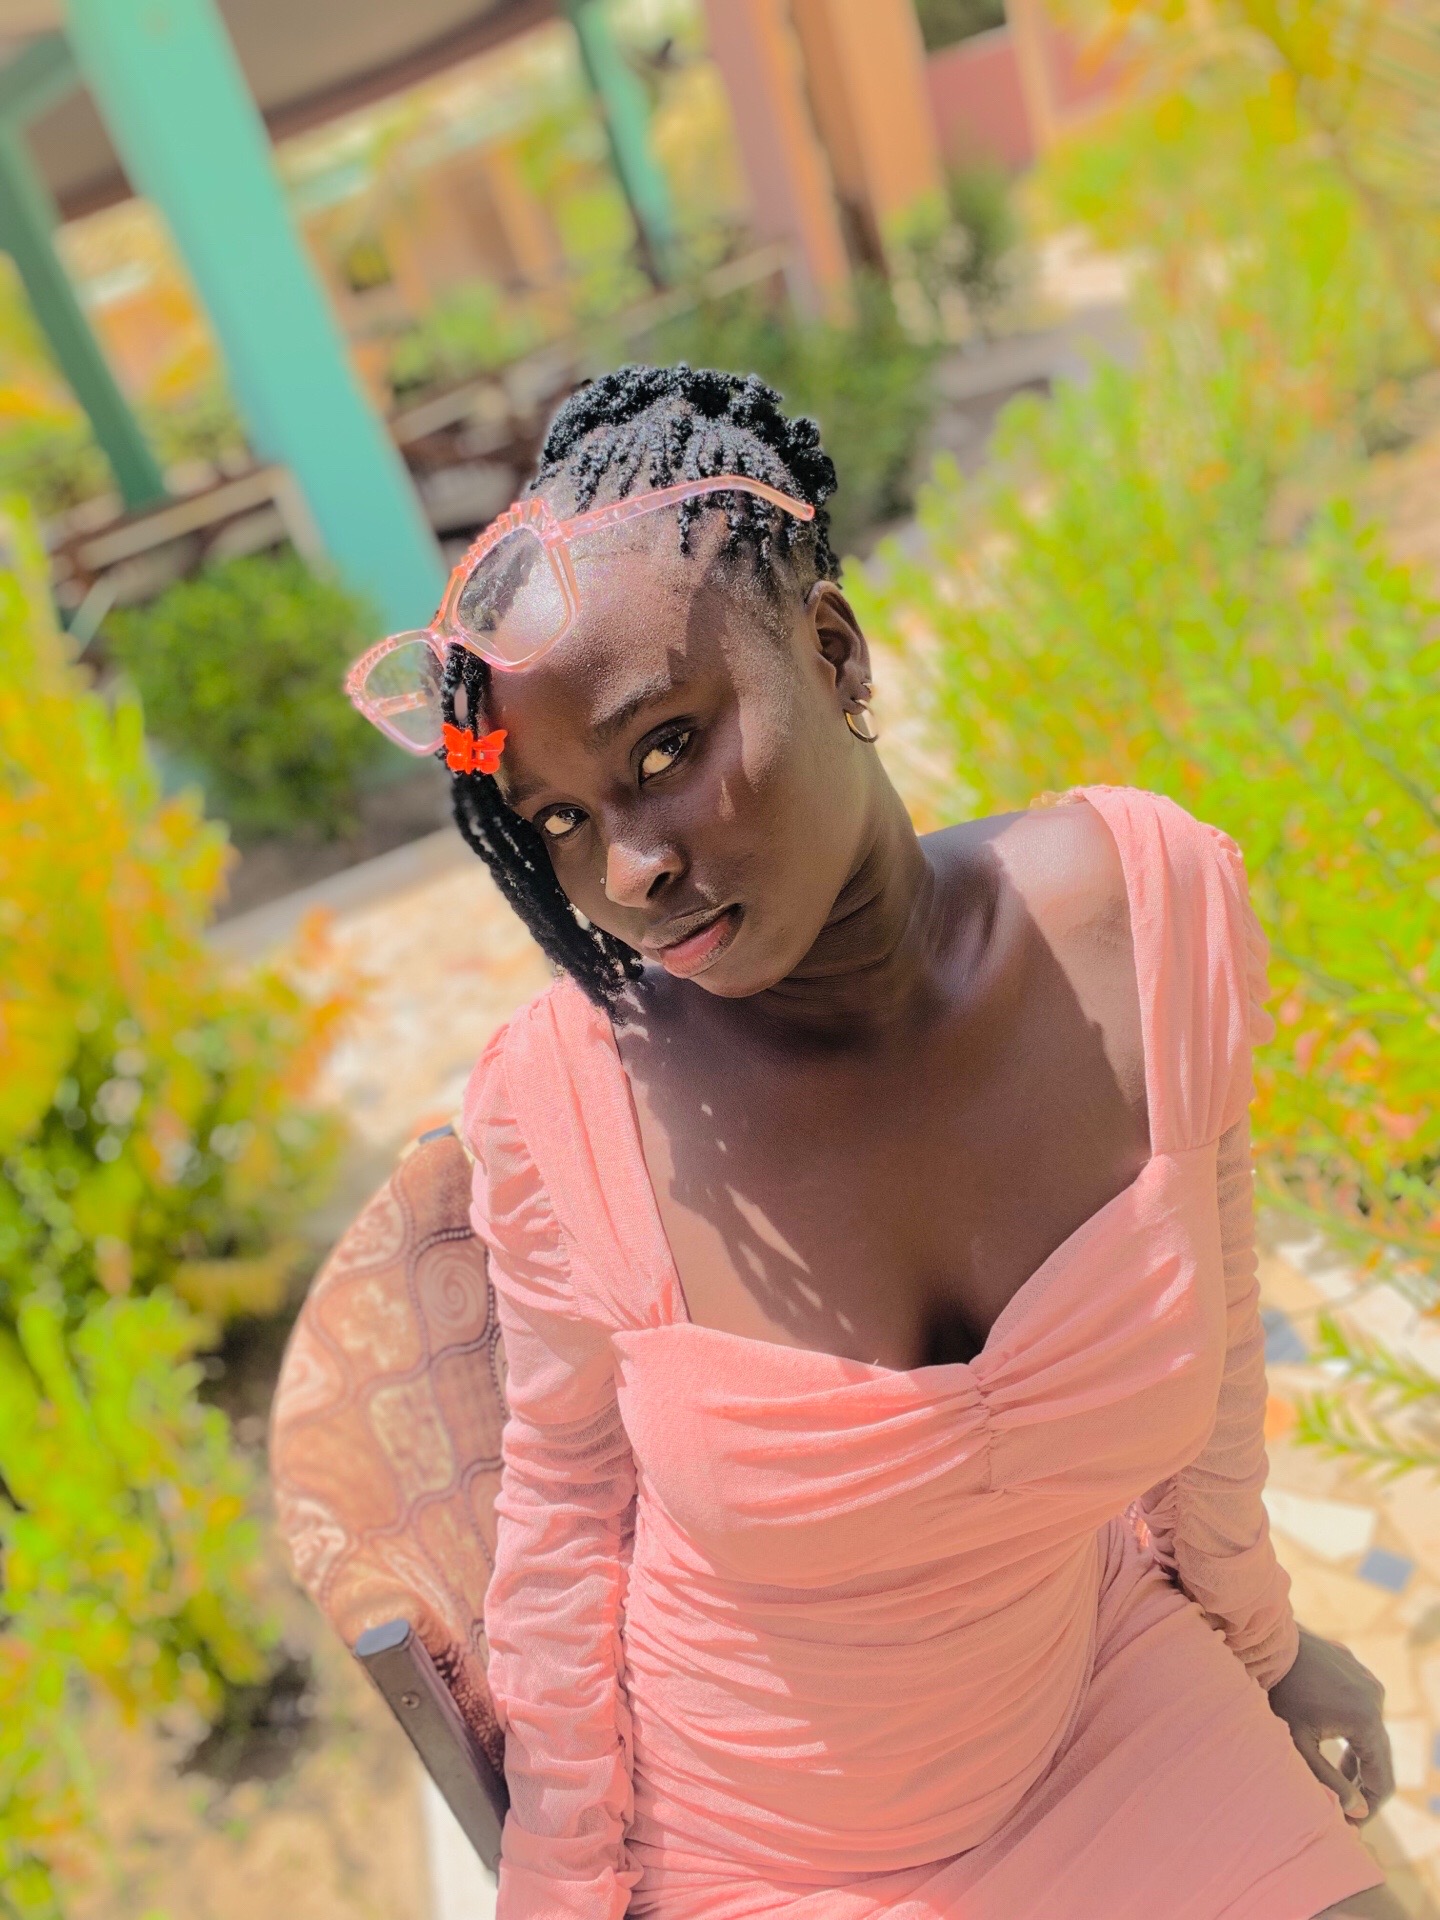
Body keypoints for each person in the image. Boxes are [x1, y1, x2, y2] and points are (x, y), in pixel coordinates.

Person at [348, 366, 1399, 1918]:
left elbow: (1220, 1321)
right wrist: (566, 1895)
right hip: (766, 1847)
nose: (629, 871)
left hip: (1098, 1704)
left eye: (664, 748)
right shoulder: (571, 1104)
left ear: (834, 651)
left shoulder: (1146, 911)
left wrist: (1263, 1643)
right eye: (559, 819)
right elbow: (565, 1525)